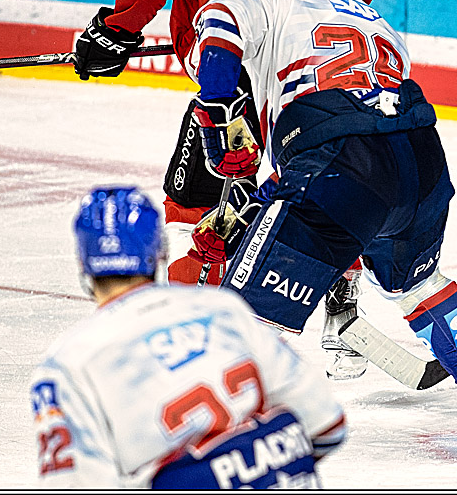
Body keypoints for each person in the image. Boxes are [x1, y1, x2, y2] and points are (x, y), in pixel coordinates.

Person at [184, 0, 457, 464]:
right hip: (419, 156)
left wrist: (214, 112)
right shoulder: (379, 23)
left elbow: (218, 39)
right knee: (418, 284)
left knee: (248, 303)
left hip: (338, 156)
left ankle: (221, 425)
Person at [70, 0, 395, 291]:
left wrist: (115, 32)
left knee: (197, 208)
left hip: (228, 66)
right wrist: (328, 1)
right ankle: (342, 284)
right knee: (321, 180)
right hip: (305, 65)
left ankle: (193, 307)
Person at [29, 187, 346, 488]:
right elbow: (326, 424)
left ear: (84, 263)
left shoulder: (68, 364)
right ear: (159, 251)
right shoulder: (223, 309)